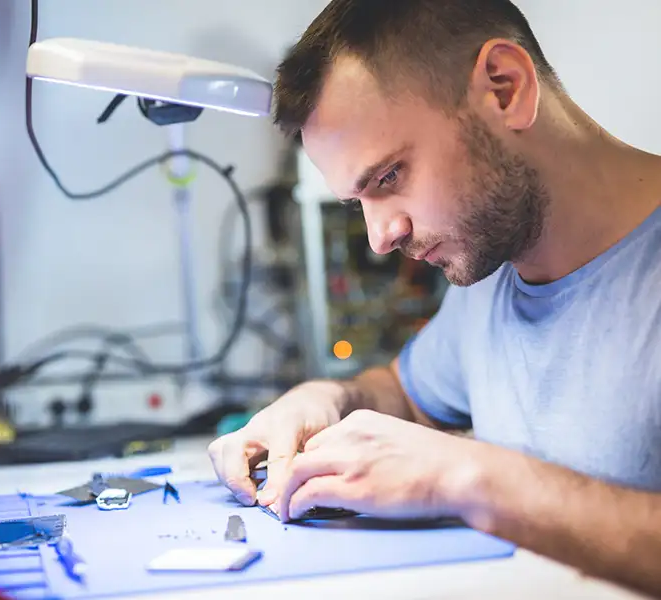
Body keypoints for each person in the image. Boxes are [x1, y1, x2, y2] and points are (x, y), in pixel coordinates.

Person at [207, 0, 661, 596]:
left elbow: (465, 472)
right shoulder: (491, 271)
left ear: (504, 88)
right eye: (357, 202)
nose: (379, 237)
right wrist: (320, 399)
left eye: (389, 176)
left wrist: (473, 478)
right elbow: (403, 392)